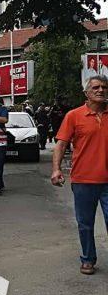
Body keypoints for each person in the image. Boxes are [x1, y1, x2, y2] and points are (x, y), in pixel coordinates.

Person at [51, 75, 108, 276]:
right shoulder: (74, 116)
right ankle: (88, 259)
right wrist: (56, 169)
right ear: (86, 93)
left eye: (104, 87)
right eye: (96, 87)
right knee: (85, 224)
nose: (101, 90)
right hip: (84, 180)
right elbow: (61, 144)